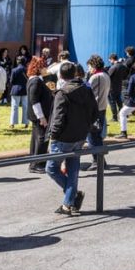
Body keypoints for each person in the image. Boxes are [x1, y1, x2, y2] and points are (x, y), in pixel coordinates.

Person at [46, 62, 98, 216]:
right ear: (75, 73)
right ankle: (69, 201)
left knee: (51, 168)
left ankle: (72, 196)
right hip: (80, 136)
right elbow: (95, 112)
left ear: (60, 76)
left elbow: (58, 118)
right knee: (73, 169)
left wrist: (53, 135)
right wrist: (86, 127)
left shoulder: (62, 93)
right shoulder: (86, 89)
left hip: (63, 138)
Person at [26, 59, 55, 173]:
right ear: (38, 68)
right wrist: (41, 117)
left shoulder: (35, 80)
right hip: (39, 115)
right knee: (42, 138)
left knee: (36, 138)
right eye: (44, 67)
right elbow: (34, 100)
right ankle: (38, 164)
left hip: (37, 115)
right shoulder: (36, 81)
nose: (46, 69)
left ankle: (34, 161)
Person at [85, 54, 110, 146]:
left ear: (94, 65)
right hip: (101, 107)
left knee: (93, 138)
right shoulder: (105, 75)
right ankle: (99, 159)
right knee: (96, 136)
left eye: (89, 66)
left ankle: (98, 159)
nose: (89, 69)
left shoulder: (97, 77)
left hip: (95, 110)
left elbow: (87, 91)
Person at [8, 56, 29, 127]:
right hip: (25, 89)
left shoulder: (14, 70)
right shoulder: (27, 69)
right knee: (25, 106)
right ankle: (26, 123)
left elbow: (11, 81)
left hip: (16, 89)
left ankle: (12, 123)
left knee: (14, 106)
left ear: (17, 61)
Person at [106, 53, 126, 122]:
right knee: (119, 102)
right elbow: (125, 76)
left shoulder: (113, 67)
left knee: (112, 102)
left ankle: (114, 117)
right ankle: (122, 114)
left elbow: (107, 76)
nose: (110, 62)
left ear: (112, 59)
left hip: (112, 88)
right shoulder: (122, 66)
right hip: (119, 86)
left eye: (110, 60)